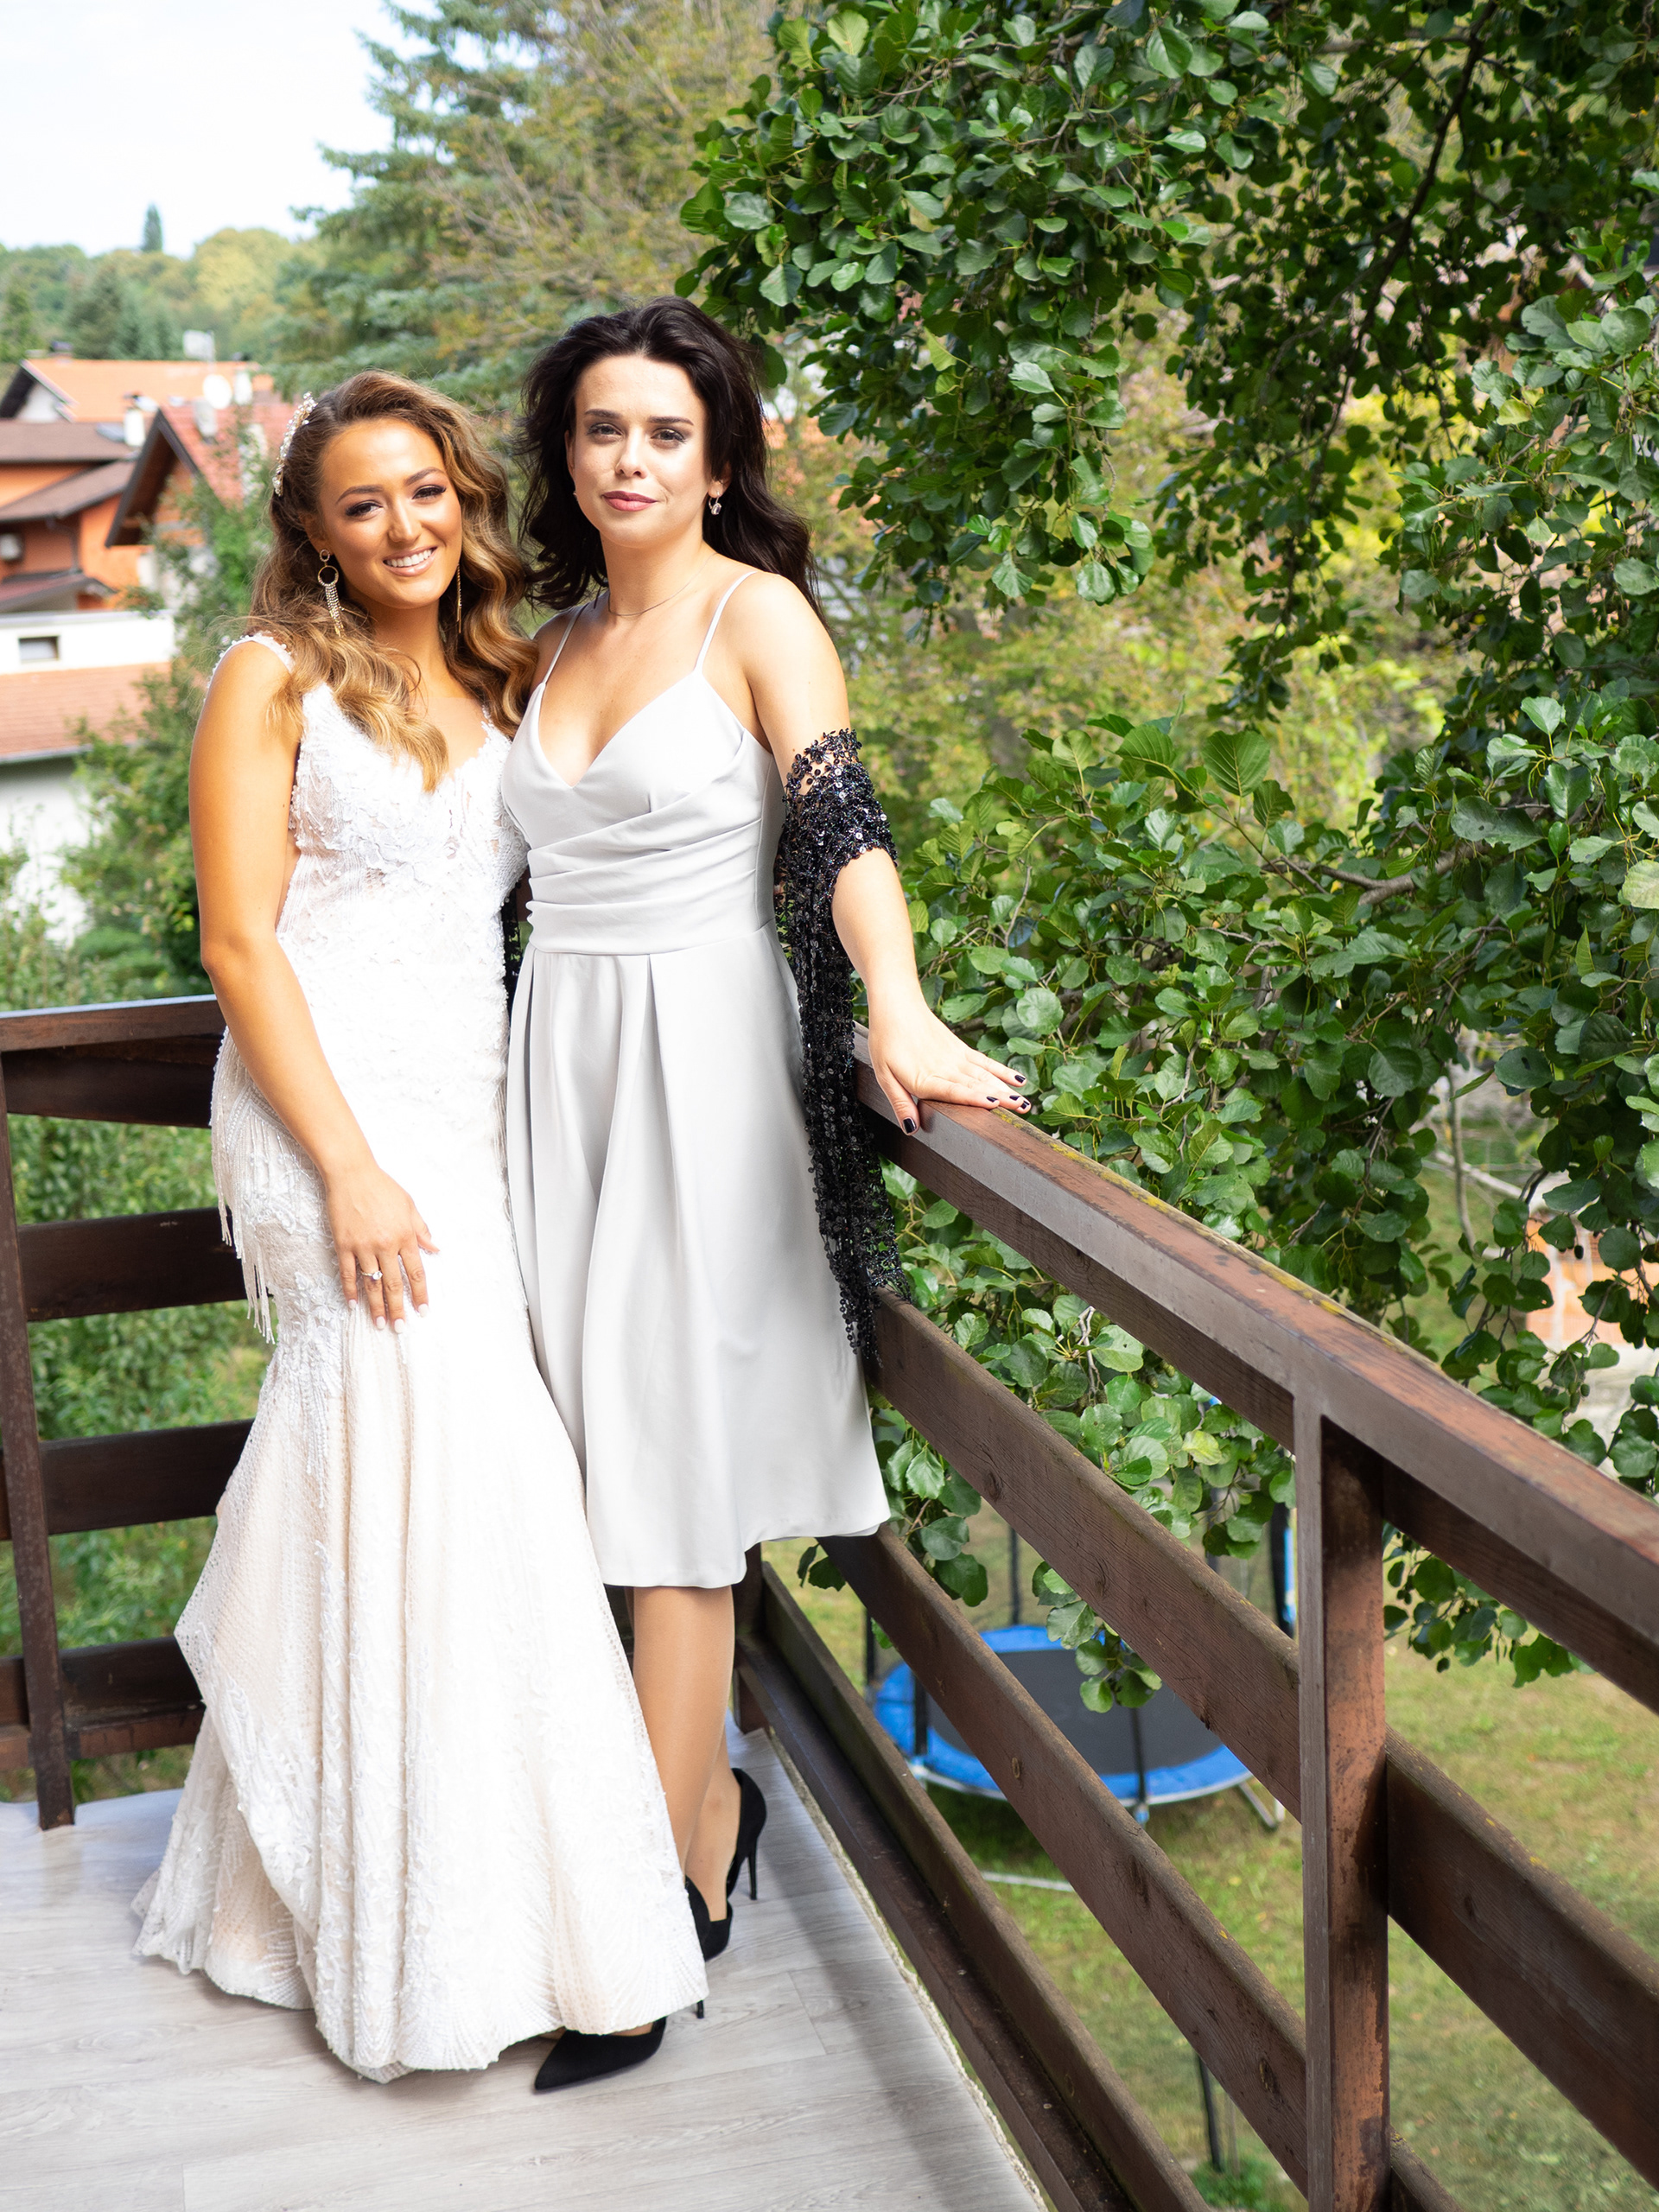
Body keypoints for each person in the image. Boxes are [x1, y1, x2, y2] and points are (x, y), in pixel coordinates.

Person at [133, 370, 706, 2090]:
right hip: (333, 1124)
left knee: (426, 1489)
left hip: (470, 1113)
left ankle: (329, 1887)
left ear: (467, 498)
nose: (405, 524)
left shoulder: (505, 675)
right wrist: (351, 1169)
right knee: (448, 1471)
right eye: (364, 501)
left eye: (428, 490)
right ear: (314, 530)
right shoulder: (270, 677)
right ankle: (465, 1939)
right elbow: (240, 945)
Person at [504, 299, 1030, 1961]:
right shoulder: (548, 644)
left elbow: (840, 818)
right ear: (566, 453)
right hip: (557, 1069)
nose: (633, 458)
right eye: (604, 428)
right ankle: (688, 1807)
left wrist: (899, 1004)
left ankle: (665, 1891)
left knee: (668, 1469)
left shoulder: (762, 615)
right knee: (583, 1456)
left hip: (704, 1068)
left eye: (667, 432)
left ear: (719, 461)